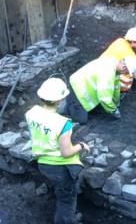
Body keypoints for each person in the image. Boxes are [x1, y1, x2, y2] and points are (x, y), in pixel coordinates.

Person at [26, 78, 90, 224]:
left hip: (42, 163)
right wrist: (81, 146)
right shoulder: (63, 123)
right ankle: (66, 220)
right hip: (60, 168)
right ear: (61, 100)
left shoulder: (31, 113)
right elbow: (66, 152)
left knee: (61, 189)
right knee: (67, 201)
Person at [65, 56, 136, 124]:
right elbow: (104, 98)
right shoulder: (108, 73)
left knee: (98, 108)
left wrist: (117, 102)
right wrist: (114, 111)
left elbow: (116, 87)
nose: (125, 74)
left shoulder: (114, 62)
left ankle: (70, 105)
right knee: (81, 120)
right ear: (123, 67)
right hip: (78, 89)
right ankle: (67, 108)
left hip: (82, 82)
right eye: (126, 72)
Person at [100, 27, 136, 93]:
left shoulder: (119, 40)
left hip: (98, 66)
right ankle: (119, 89)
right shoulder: (130, 56)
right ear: (133, 41)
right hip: (105, 76)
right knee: (128, 77)